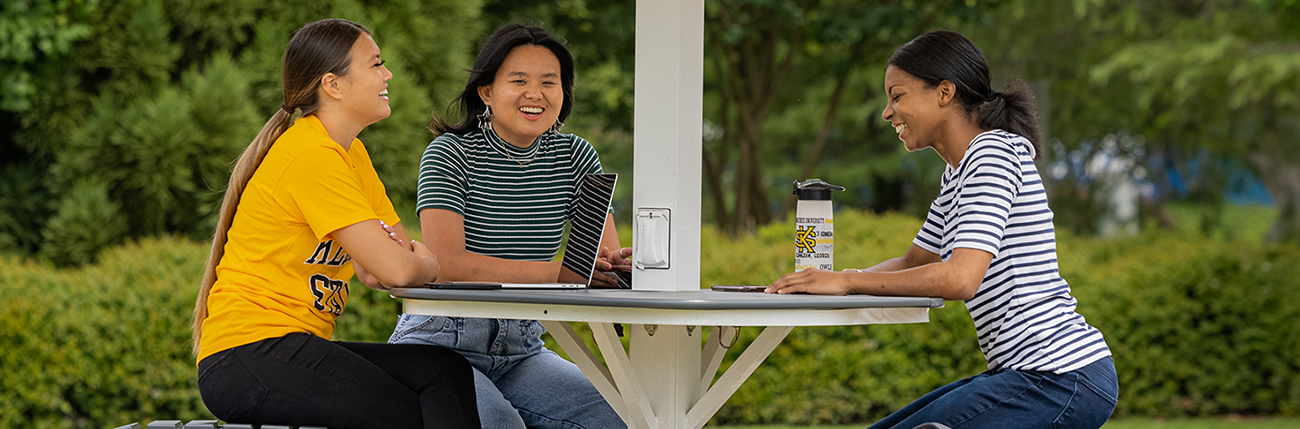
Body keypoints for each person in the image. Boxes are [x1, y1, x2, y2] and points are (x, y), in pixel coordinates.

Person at [766, 31, 1118, 429]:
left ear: (945, 92)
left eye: (897, 96)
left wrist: (846, 282)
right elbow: (913, 261)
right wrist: (826, 281)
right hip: (1031, 374)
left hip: (1058, 377)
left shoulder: (992, 154)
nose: (887, 112)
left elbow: (960, 278)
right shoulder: (959, 173)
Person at [191, 19, 479, 429]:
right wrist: (423, 263)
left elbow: (384, 262)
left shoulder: (350, 154)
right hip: (247, 356)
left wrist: (403, 261)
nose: (388, 74)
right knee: (404, 414)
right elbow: (398, 267)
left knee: (441, 371)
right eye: (376, 64)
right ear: (334, 85)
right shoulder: (310, 155)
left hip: (292, 347)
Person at [388, 24, 630, 429]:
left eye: (549, 83)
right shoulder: (449, 154)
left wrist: (615, 268)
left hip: (523, 347)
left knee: (622, 416)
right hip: (441, 343)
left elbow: (597, 262)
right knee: (501, 423)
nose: (534, 94)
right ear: (486, 92)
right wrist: (562, 276)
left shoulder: (576, 156)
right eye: (518, 80)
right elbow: (447, 264)